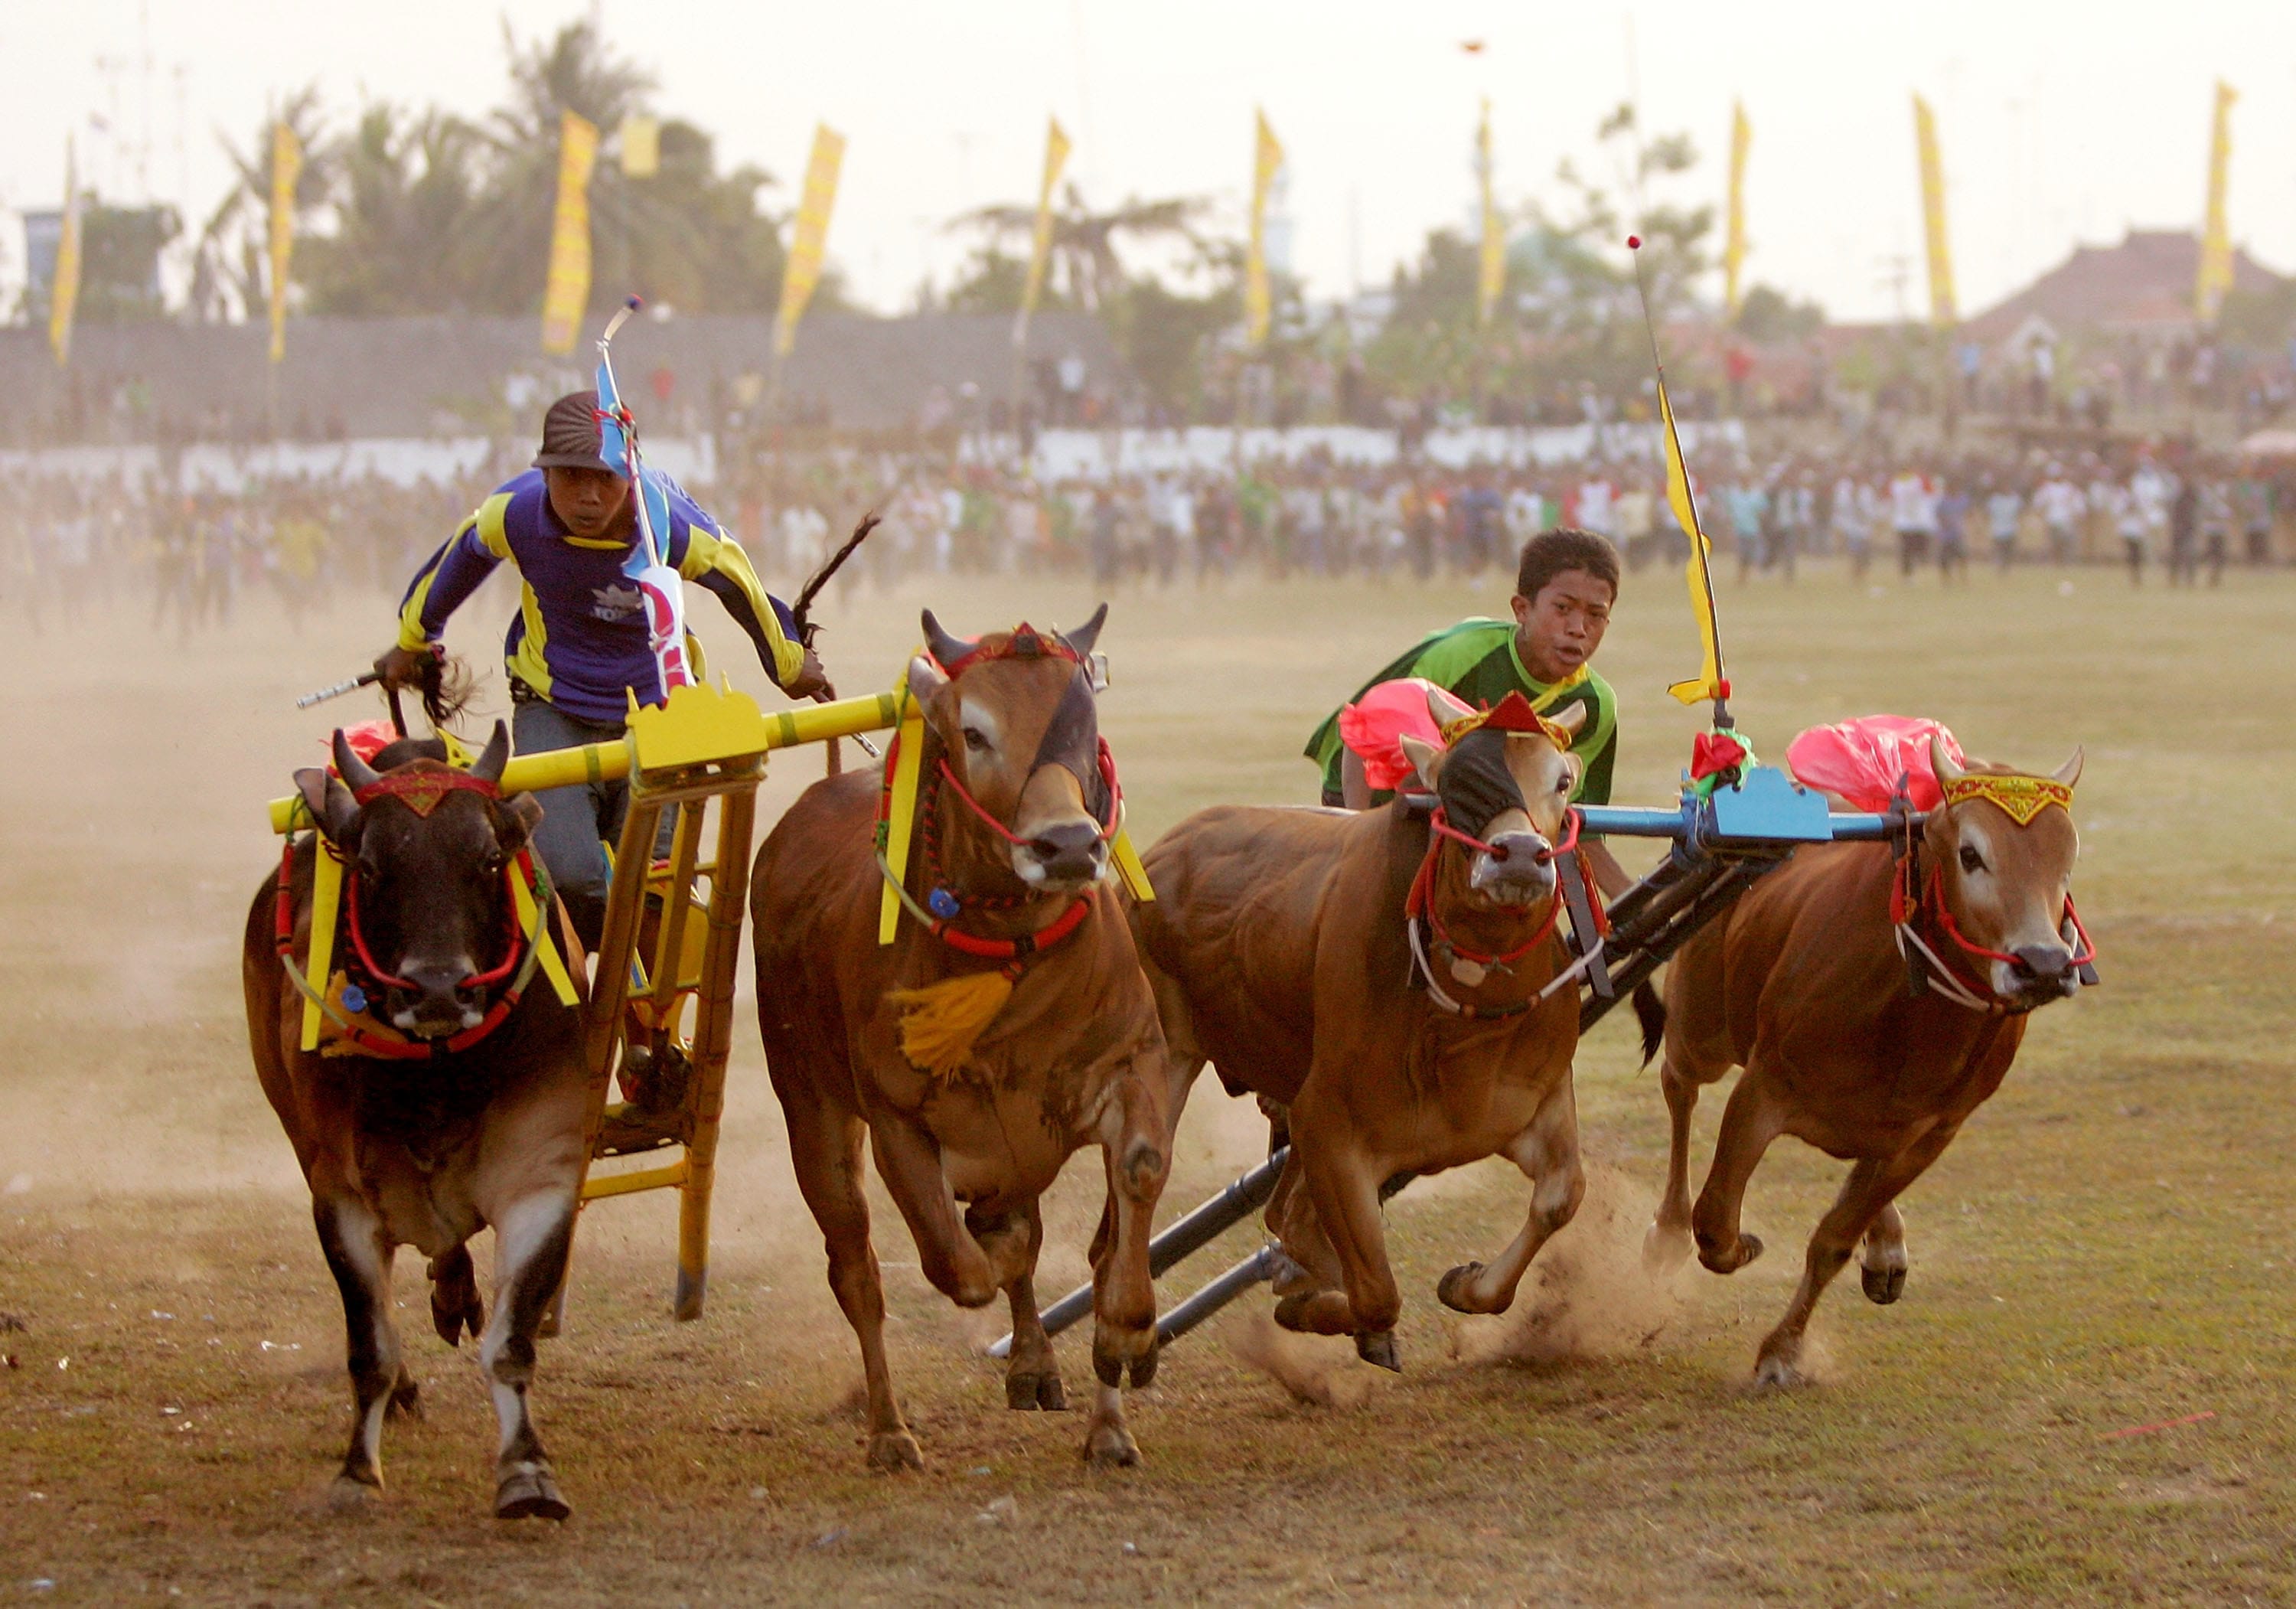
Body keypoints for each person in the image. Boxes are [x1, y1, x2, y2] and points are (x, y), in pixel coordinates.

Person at [373, 390, 824, 946]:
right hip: (552, 709)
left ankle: (641, 1018)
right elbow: (458, 561)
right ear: (544, 473)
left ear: (631, 473)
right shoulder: (512, 515)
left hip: (663, 713)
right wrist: (412, 641)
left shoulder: (671, 525)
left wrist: (789, 664)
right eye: (570, 476)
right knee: (574, 877)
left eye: (606, 478)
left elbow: (741, 583)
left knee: (653, 885)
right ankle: (588, 997)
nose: (587, 496)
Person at [1304, 528, 1632, 899]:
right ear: (1521, 609)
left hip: (1487, 826)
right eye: (1562, 609)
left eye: (1595, 615)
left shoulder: (1596, 705)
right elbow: (1363, 739)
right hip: (1371, 792)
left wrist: (1633, 899)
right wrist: (1358, 846)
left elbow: (1573, 824)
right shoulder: (1460, 656)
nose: (1577, 629)